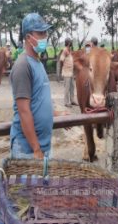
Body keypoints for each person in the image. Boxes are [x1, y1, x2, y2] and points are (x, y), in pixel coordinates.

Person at [10, 12, 65, 160]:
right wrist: (36, 148)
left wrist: (57, 115)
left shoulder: (37, 62)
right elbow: (23, 110)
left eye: (45, 32)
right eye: (40, 33)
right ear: (28, 37)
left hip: (43, 146)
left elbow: (40, 98)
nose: (45, 37)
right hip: (28, 149)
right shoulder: (23, 65)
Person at [60, 38, 77, 108]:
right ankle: (66, 102)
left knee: (72, 87)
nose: (71, 43)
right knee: (67, 88)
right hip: (67, 72)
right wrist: (63, 68)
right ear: (68, 43)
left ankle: (72, 100)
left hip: (71, 72)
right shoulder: (65, 50)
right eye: (70, 42)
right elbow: (61, 60)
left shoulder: (69, 50)